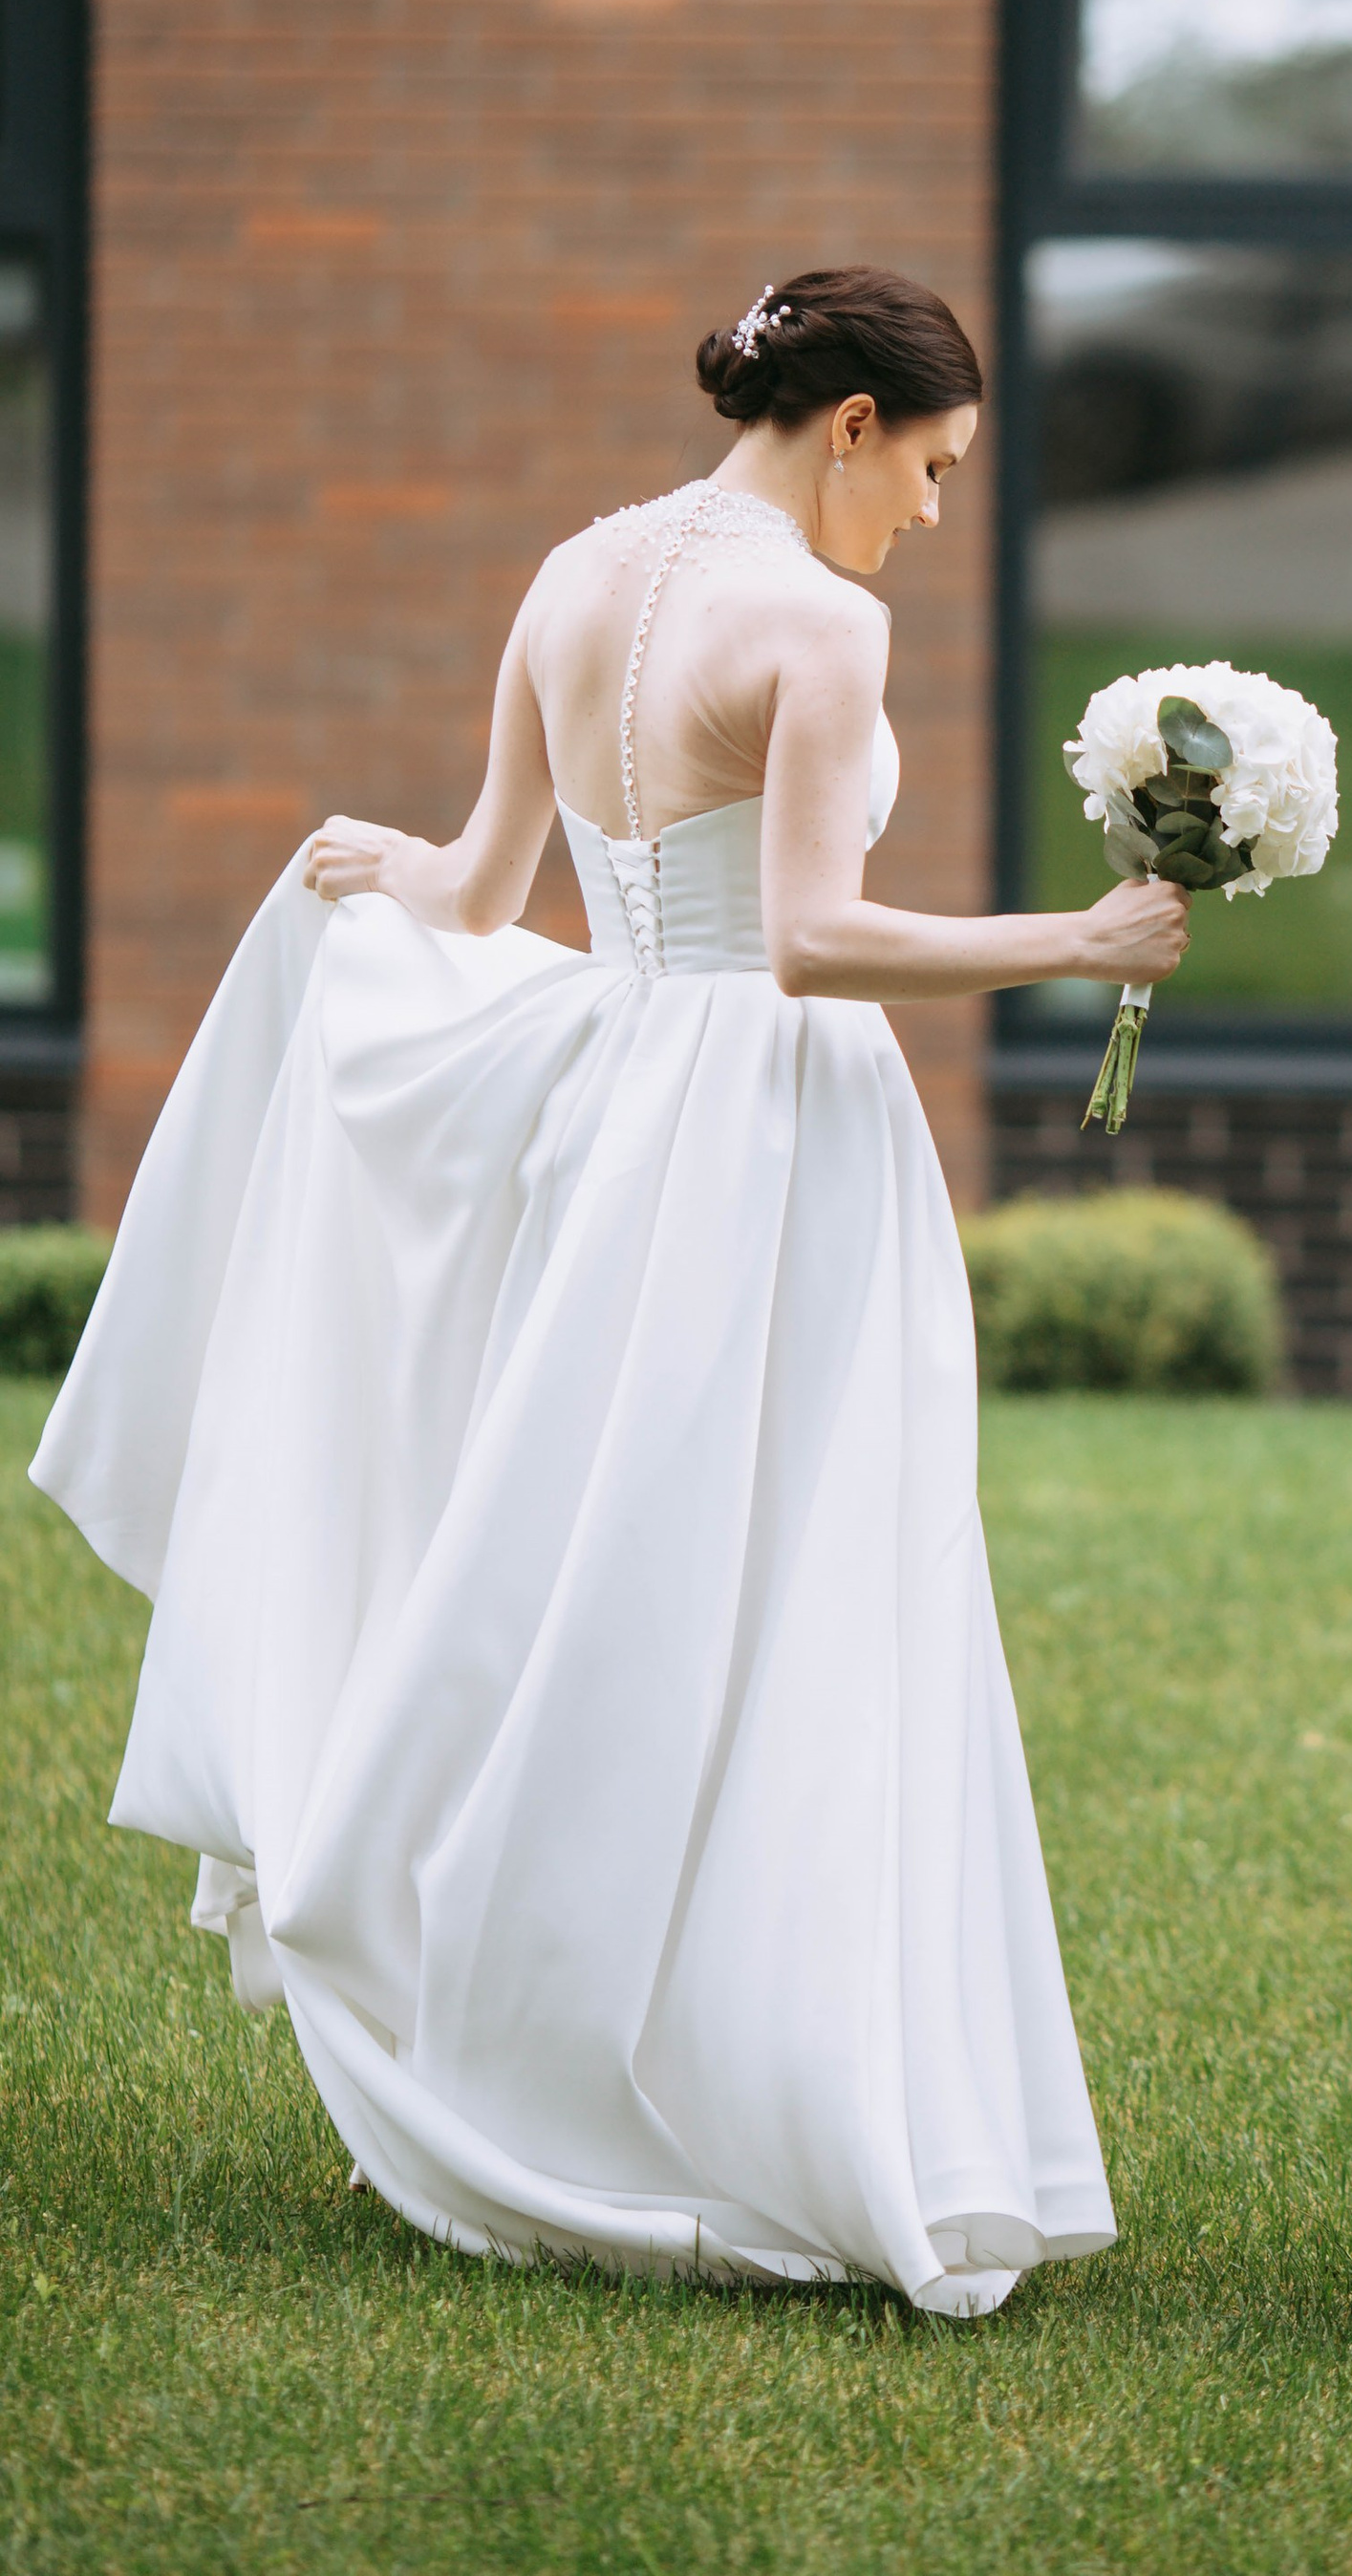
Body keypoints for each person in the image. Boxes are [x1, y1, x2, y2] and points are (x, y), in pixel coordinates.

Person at [32, 267, 1188, 2318]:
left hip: (617, 1106)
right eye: (929, 468)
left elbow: (484, 884)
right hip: (779, 1133)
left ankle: (525, 1998)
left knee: (594, 1562)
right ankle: (744, 2075)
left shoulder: (573, 573)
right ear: (849, 423)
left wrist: (374, 874)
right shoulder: (821, 623)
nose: (930, 513)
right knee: (792, 1585)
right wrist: (1078, 941)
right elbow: (813, 940)